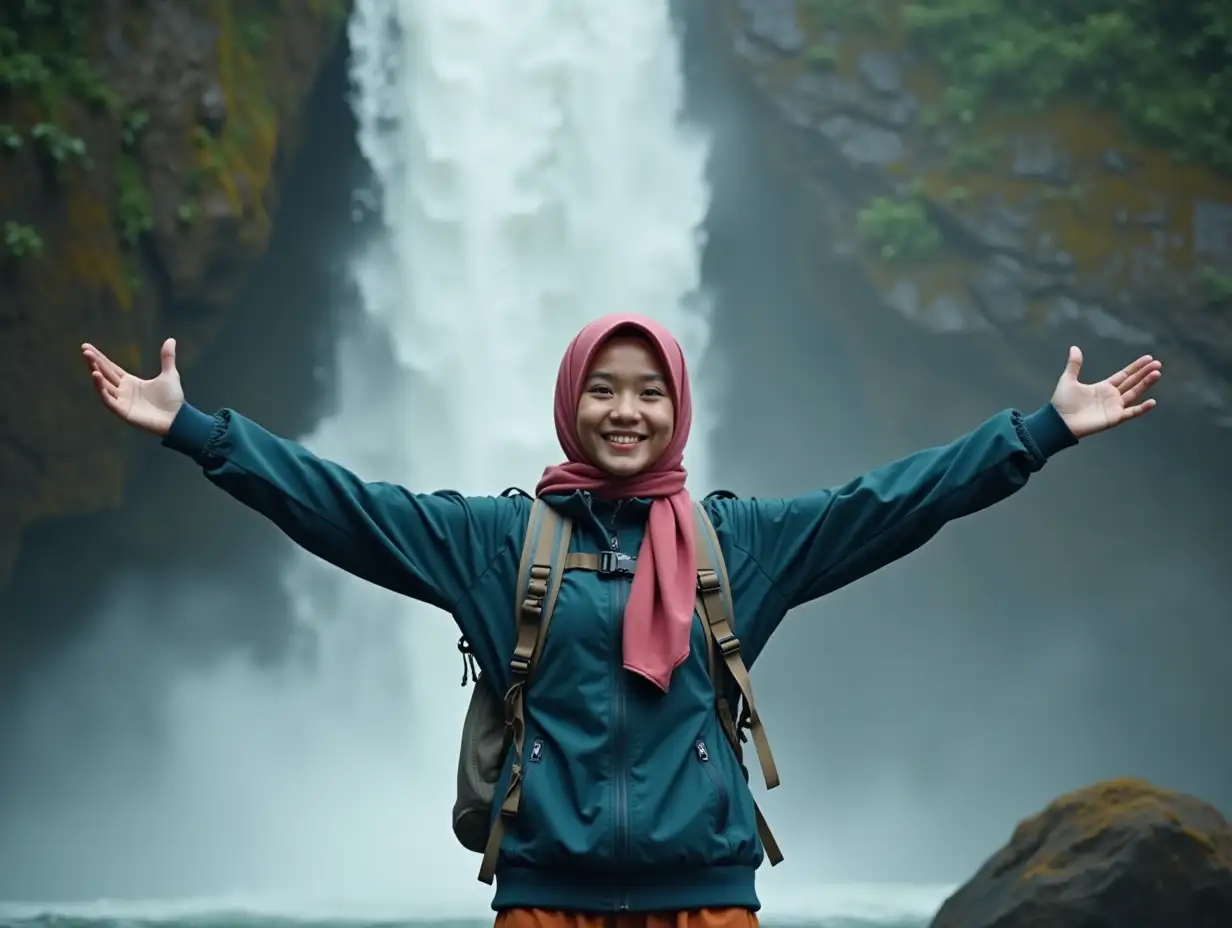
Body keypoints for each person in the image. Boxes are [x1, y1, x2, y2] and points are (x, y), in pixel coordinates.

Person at [80, 314, 1161, 928]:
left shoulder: (737, 543)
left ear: (677, 407)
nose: (626, 410)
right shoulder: (498, 542)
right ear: (570, 402)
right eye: (603, 388)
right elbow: (347, 512)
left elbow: (886, 505)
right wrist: (196, 431)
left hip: (706, 900)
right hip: (544, 899)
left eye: (648, 391)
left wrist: (1039, 431)